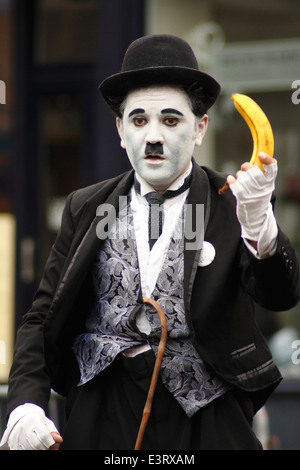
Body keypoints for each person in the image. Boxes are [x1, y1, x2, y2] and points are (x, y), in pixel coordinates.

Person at [1, 34, 300, 451]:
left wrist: (258, 224)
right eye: (139, 120)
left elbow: (281, 294)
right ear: (121, 130)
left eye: (171, 120)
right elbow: (41, 318)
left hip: (204, 416)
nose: (153, 136)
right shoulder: (87, 207)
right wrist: (24, 406)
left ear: (200, 129)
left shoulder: (231, 202)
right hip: (103, 413)